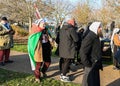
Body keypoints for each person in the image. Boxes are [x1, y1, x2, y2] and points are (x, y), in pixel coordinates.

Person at [80, 22, 103, 86]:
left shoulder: (95, 36)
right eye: (99, 27)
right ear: (95, 28)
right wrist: (87, 64)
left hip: (95, 65)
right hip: (91, 65)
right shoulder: (90, 37)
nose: (101, 29)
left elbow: (94, 49)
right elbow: (82, 51)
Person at [59, 18, 79, 82]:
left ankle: (62, 74)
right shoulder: (71, 29)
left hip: (62, 48)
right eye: (74, 22)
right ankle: (63, 76)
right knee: (67, 62)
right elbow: (76, 39)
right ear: (70, 22)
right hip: (69, 48)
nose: (74, 23)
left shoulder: (62, 29)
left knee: (63, 61)